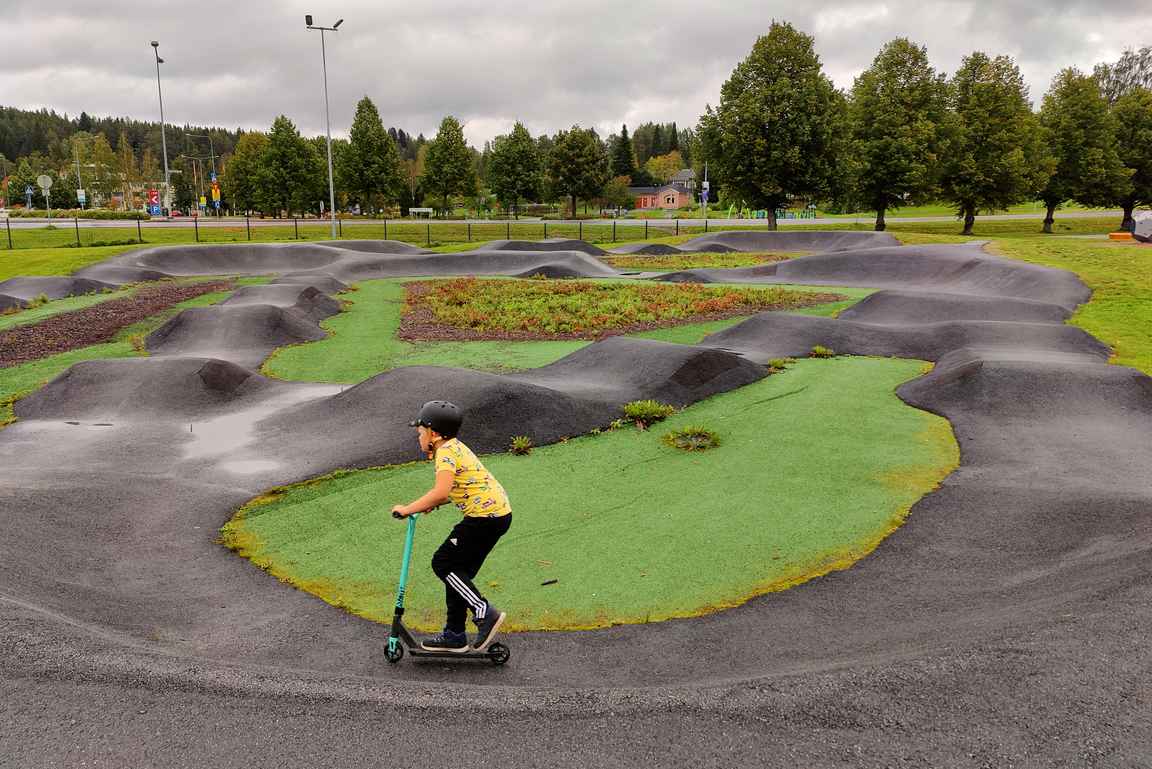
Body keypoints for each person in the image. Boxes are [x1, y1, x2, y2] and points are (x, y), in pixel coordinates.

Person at [392, 400, 511, 653]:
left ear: (433, 434)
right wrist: (435, 503)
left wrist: (407, 509)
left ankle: (484, 614)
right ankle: (454, 634)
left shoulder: (445, 453)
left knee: (443, 563)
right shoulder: (456, 447)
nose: (419, 437)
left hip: (484, 518)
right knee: (457, 574)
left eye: (420, 432)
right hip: (497, 515)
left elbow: (440, 491)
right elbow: (459, 488)